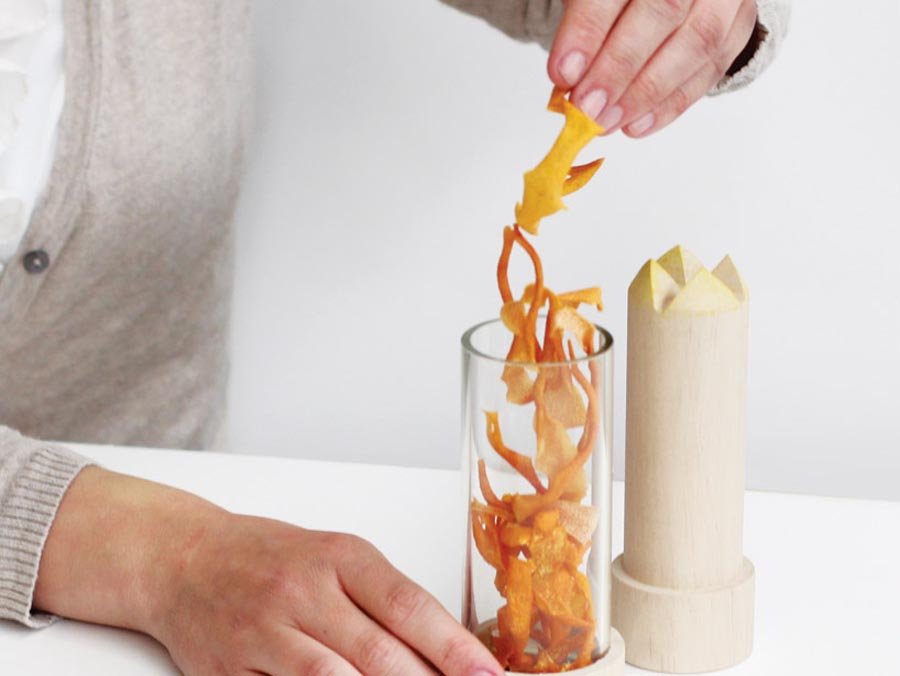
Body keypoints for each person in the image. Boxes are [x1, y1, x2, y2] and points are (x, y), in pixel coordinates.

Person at [0, 1, 788, 674]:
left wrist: (688, 20)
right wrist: (171, 558)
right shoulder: (188, 562)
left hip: (177, 526)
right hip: (135, 589)